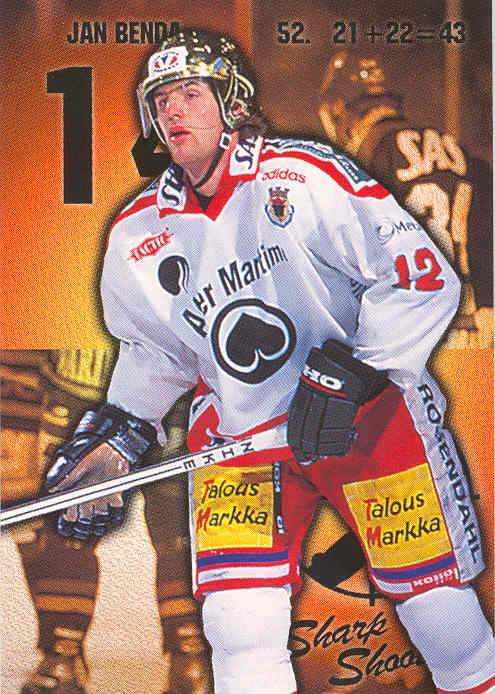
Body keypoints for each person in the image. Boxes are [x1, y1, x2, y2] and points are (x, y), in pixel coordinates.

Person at [45, 29, 495, 694]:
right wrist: (120, 440)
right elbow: (156, 354)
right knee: (238, 623)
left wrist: (358, 371)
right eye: (160, 100)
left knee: (437, 612)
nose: (172, 110)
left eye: (190, 93)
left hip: (370, 424)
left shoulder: (304, 175)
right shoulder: (137, 234)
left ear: (232, 102)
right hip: (241, 440)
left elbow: (419, 275)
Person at [1, 349, 212, 693]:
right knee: (58, 508)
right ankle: (62, 650)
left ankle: (192, 655)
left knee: (182, 518)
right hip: (74, 372)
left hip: (179, 366)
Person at [318, 50, 493, 349]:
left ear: (340, 109)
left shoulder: (362, 163)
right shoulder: (457, 151)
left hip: (407, 336)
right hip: (471, 331)